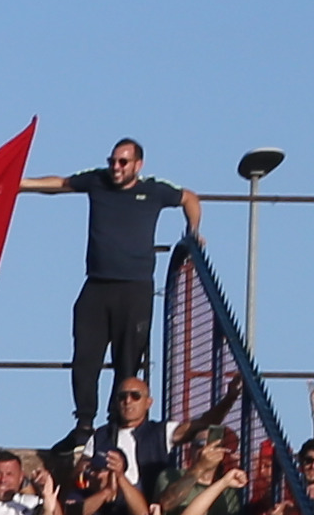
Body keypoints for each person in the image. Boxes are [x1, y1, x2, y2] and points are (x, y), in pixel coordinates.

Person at [20, 140, 201, 441]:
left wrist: (193, 233)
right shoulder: (98, 181)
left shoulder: (155, 191)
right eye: (113, 161)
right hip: (97, 286)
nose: (115, 168)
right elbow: (61, 183)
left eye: (123, 162)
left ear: (137, 165)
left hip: (135, 289)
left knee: (128, 362)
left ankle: (117, 425)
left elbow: (190, 198)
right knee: (85, 359)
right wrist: (21, 183)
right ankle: (84, 425)